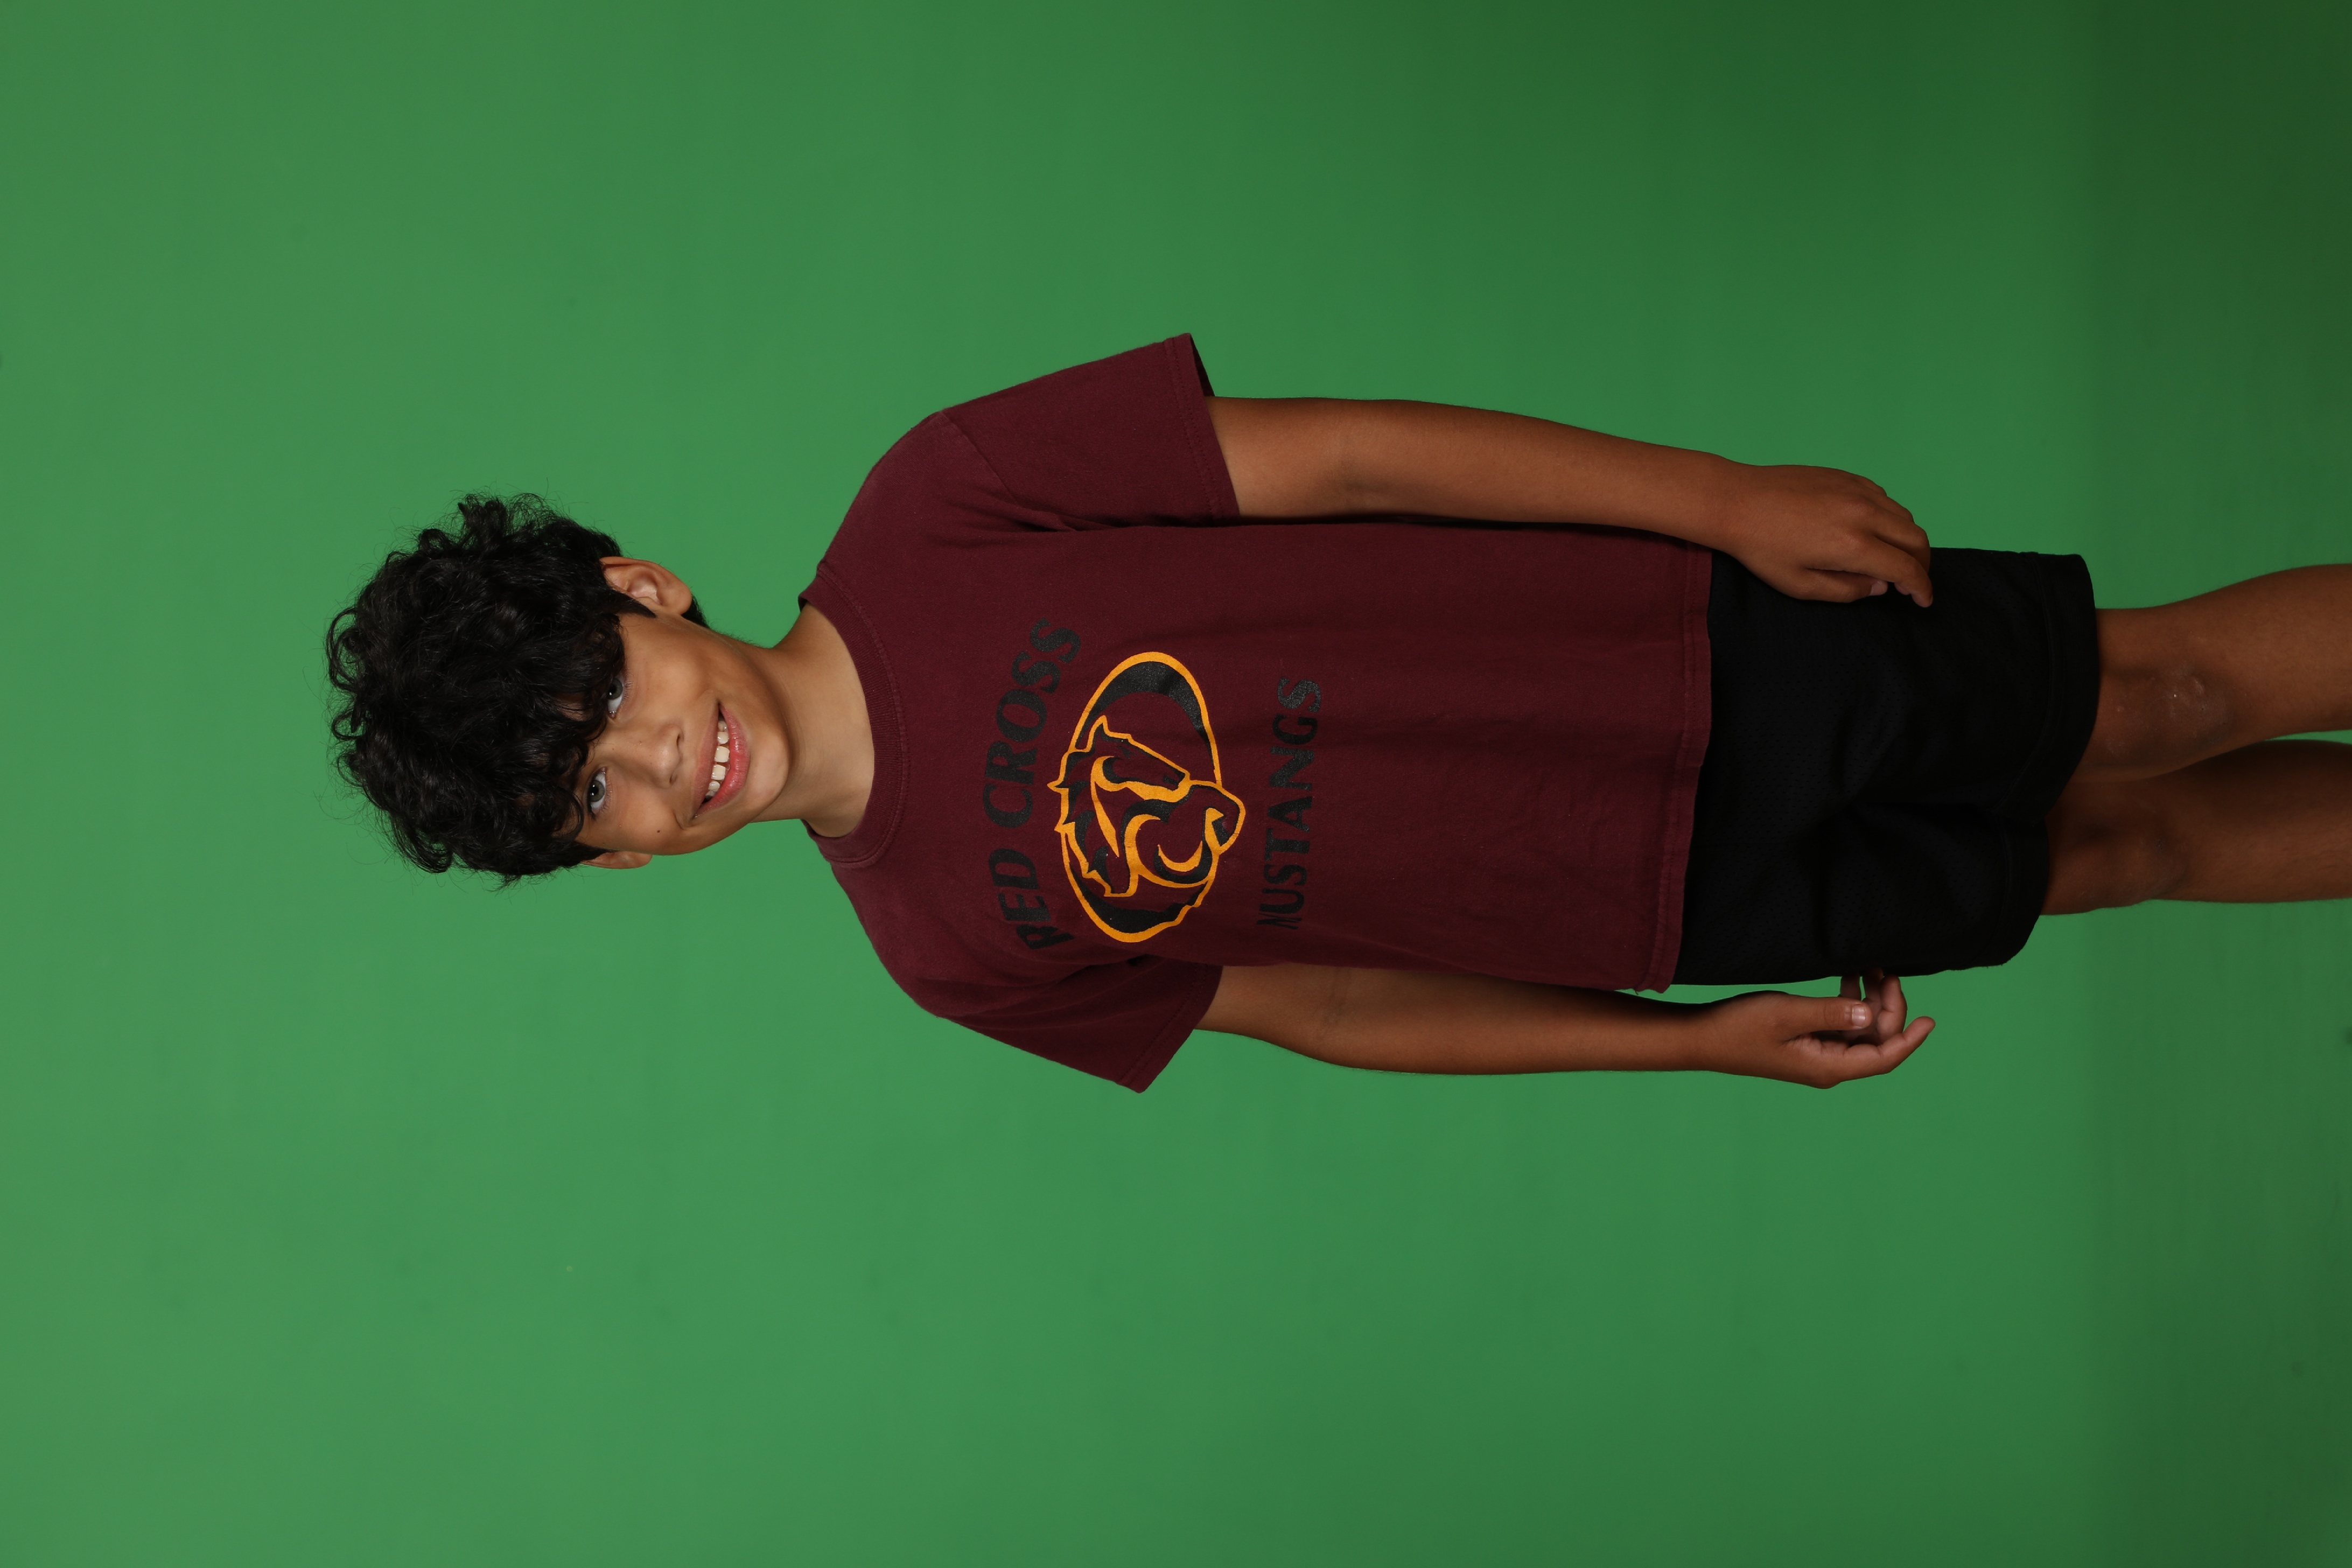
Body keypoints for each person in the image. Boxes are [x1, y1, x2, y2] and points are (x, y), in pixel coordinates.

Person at [326, 336, 2352, 1092]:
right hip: (1649, 899)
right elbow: (1340, 1006)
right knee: (2116, 855)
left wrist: (1716, 499)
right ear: (607, 858)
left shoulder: (944, 497)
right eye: (592, 800)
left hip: (1677, 645)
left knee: (2155, 692)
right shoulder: (946, 952)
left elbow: (1359, 453)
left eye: (610, 701)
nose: (657, 765)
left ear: (641, 591)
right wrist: (1678, 1045)